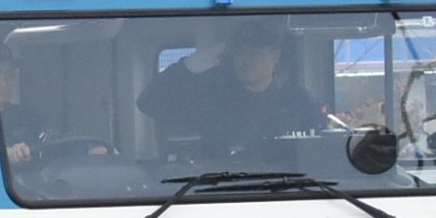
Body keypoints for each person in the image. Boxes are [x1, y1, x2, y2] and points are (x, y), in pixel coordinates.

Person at [140, 21, 327, 156]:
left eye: (256, 51)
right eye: (241, 50)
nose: (247, 58)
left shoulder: (296, 103)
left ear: (275, 55)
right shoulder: (211, 97)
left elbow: (321, 147)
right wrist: (187, 67)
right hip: (217, 194)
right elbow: (149, 102)